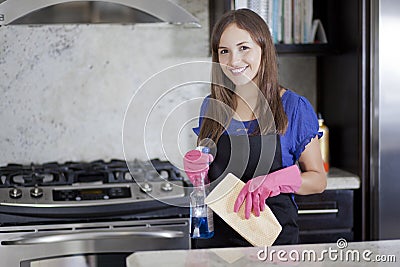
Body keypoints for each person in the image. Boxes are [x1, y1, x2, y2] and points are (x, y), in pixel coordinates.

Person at [183, 9, 327, 248]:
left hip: (273, 245)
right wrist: (197, 171)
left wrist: (277, 181)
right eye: (224, 52)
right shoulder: (212, 105)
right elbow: (208, 179)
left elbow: (318, 180)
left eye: (243, 48)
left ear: (263, 48)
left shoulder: (293, 107)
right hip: (216, 245)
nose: (233, 61)